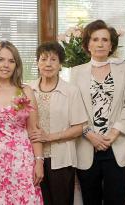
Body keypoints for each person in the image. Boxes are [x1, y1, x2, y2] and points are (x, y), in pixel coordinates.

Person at [70, 19, 125, 205]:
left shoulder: (124, 68)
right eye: (95, 39)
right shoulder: (76, 72)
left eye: (105, 40)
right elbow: (74, 110)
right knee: (91, 199)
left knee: (118, 197)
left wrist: (113, 134)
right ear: (87, 44)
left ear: (111, 44)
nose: (100, 44)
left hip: (116, 145)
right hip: (87, 145)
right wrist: (90, 135)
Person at [0, 41, 43, 204]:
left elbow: (34, 130)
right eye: (1, 60)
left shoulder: (25, 91)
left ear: (16, 65)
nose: (6, 65)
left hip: (23, 164)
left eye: (11, 61)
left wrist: (39, 161)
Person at [28, 41, 86, 205]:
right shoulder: (27, 89)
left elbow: (79, 128)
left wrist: (50, 137)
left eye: (53, 59)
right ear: (37, 63)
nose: (48, 64)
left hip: (61, 158)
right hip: (31, 157)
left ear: (60, 64)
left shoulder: (71, 91)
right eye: (43, 59)